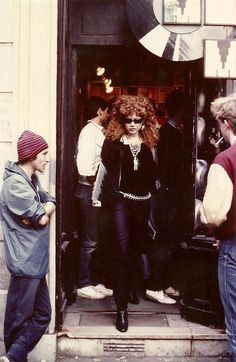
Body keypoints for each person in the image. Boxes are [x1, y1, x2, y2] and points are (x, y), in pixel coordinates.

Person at [92, 95, 159, 332]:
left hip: (143, 202)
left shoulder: (150, 142)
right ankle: (121, 309)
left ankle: (131, 286)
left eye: (137, 120)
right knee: (121, 250)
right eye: (128, 119)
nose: (132, 123)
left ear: (144, 121)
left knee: (136, 250)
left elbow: (154, 176)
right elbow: (105, 170)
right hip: (120, 202)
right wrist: (98, 196)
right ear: (121, 120)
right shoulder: (113, 142)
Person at [0, 130, 56, 362]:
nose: (46, 158)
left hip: (34, 260)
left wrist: (47, 204)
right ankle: (13, 358)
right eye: (43, 153)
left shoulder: (30, 179)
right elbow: (42, 218)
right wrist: (44, 209)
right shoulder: (15, 184)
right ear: (32, 155)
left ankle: (14, 357)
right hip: (25, 260)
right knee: (19, 318)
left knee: (43, 315)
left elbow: (48, 201)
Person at [200, 93, 236, 362]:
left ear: (225, 123)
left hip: (233, 244)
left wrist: (212, 227)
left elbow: (213, 214)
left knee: (235, 319)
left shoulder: (224, 160)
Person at [75, 96, 112, 300]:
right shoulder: (89, 133)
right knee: (90, 240)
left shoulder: (98, 132)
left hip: (95, 191)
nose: (108, 115)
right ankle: (84, 283)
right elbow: (83, 166)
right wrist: (96, 183)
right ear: (99, 111)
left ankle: (93, 280)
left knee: (96, 239)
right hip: (89, 190)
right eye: (107, 111)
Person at [153, 89, 189, 299]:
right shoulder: (170, 133)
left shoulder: (170, 131)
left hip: (169, 192)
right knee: (166, 239)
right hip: (169, 193)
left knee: (168, 239)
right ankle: (160, 284)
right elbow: (170, 166)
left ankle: (164, 283)